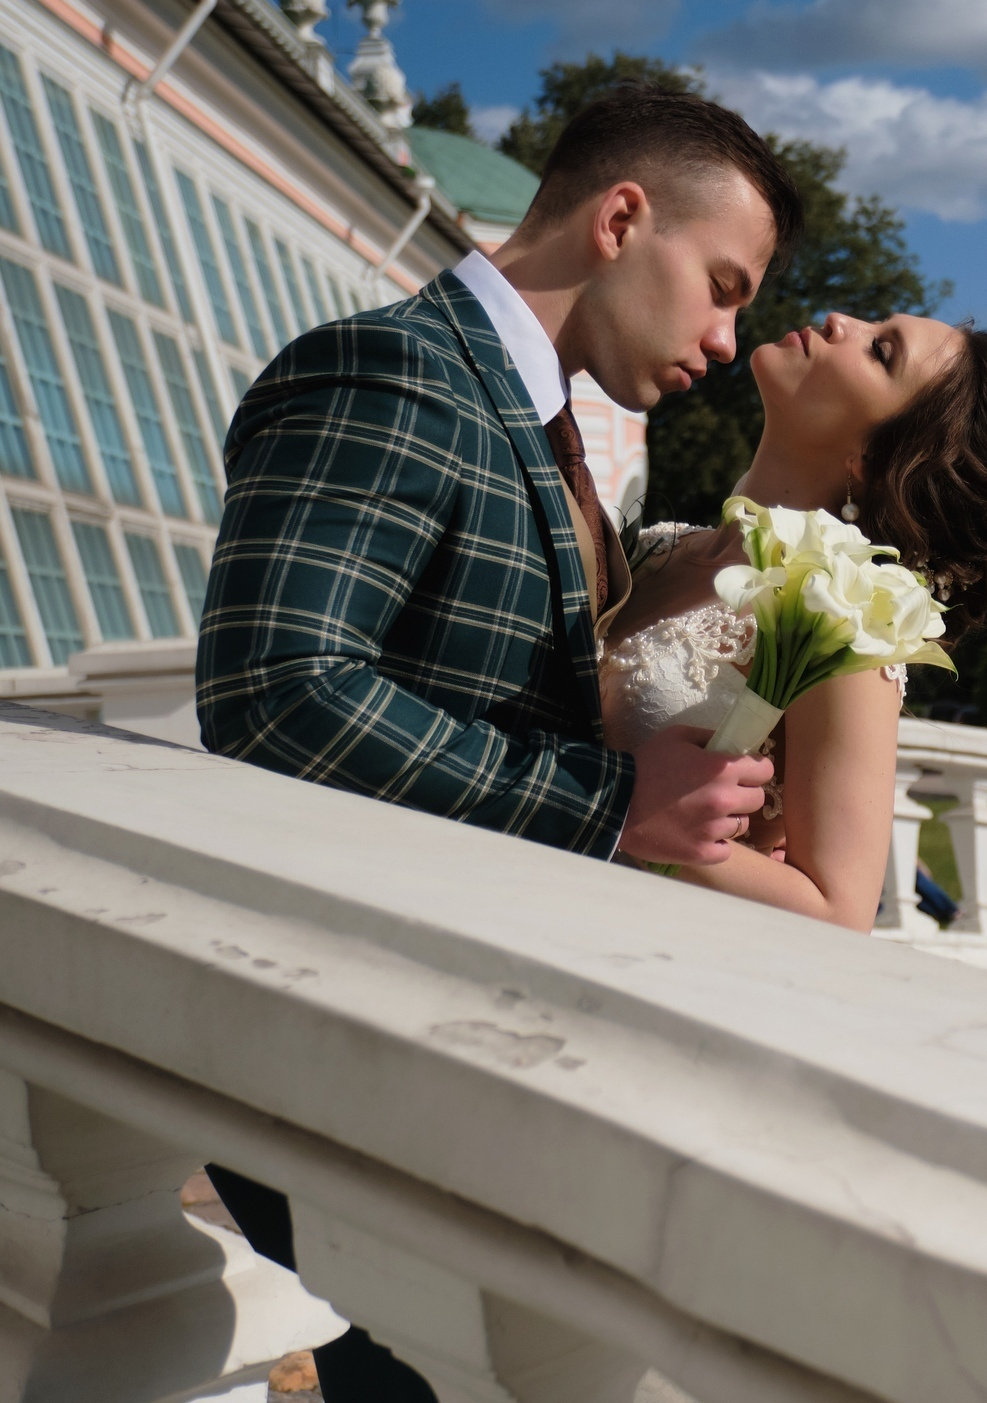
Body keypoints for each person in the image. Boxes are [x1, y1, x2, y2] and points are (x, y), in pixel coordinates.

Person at [194, 87, 804, 1399]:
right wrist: (612, 805)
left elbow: (528, 627)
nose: (726, 336)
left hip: (457, 1039)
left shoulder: (543, 428)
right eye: (721, 284)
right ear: (621, 217)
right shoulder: (388, 368)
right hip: (350, 1046)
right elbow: (279, 692)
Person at [598, 306, 987, 923]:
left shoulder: (845, 625)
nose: (840, 320)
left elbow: (840, 912)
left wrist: (630, 814)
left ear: (874, 456)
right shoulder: (657, 546)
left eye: (880, 352)